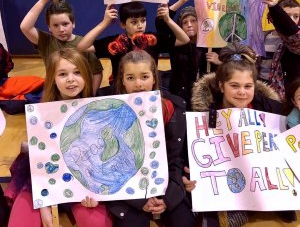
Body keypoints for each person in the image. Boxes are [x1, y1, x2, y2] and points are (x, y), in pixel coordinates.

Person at [190, 42, 296, 226]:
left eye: (248, 86)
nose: (242, 92)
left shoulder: (273, 110)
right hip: (227, 182)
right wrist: (191, 169)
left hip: (266, 186)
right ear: (221, 86)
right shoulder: (204, 113)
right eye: (235, 86)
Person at [5, 48, 112, 227]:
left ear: (86, 75)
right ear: (52, 79)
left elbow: (101, 161)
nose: (71, 79)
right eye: (63, 74)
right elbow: (39, 164)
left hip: (83, 185)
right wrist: (44, 204)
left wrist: (97, 195)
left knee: (97, 223)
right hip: (42, 181)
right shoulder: (41, 113)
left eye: (77, 72)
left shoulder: (98, 111)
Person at [107, 50, 195, 227]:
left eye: (144, 76)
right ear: (122, 81)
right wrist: (140, 201)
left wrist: (169, 197)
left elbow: (176, 159)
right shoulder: (108, 112)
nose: (138, 84)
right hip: (128, 192)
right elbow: (110, 164)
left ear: (154, 78)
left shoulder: (173, 107)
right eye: (130, 78)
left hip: (167, 185)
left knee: (184, 222)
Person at [77, 1, 190, 85]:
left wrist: (168, 20)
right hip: (122, 92)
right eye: (134, 22)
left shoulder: (152, 39)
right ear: (123, 24)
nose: (140, 25)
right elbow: (82, 47)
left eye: (143, 20)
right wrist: (104, 23)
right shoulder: (115, 42)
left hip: (149, 90)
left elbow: (184, 39)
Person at [20, 0, 103, 94]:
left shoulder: (84, 43)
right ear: (49, 27)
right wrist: (43, 0)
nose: (61, 29)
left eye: (65, 24)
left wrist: (91, 95)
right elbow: (25, 27)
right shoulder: (46, 41)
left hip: (80, 92)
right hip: (55, 92)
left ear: (73, 23)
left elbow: (97, 72)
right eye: (55, 25)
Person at [155, 0, 221, 109]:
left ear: (200, 23)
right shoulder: (177, 44)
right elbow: (161, 24)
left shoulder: (211, 45)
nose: (189, 25)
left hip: (205, 98)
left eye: (193, 21)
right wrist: (182, 1)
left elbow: (232, 67)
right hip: (180, 97)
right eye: (185, 22)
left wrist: (219, 62)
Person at [262, 0, 300, 100]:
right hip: (260, 91)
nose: (291, 19)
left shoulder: (296, 40)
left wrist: (274, 7)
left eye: (296, 16)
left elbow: (291, 31)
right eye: (286, 15)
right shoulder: (262, 36)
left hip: (285, 97)